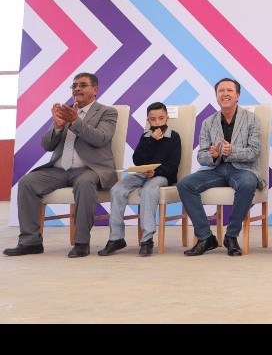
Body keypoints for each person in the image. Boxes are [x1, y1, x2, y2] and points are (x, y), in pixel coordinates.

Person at [4, 72, 118, 258]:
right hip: (59, 170)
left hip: (90, 170)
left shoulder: (107, 112)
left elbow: (100, 138)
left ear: (95, 89)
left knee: (85, 183)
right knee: (27, 182)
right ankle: (30, 242)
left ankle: (81, 243)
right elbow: (47, 145)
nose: (77, 89)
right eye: (74, 85)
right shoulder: (66, 112)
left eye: (82, 85)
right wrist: (57, 126)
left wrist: (75, 121)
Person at [177, 77, 263, 257]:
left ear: (237, 95)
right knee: (185, 184)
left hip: (243, 169)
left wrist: (232, 151)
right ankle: (205, 237)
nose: (225, 94)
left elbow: (254, 152)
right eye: (221, 91)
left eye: (229, 90)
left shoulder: (252, 119)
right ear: (216, 96)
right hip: (215, 169)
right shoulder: (208, 122)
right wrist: (213, 155)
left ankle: (231, 236)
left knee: (247, 183)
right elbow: (201, 156)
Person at [97, 102, 181, 257]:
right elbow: (138, 160)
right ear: (148, 120)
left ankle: (147, 240)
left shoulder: (174, 137)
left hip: (162, 176)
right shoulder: (146, 137)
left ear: (167, 118)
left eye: (161, 118)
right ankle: (116, 238)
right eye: (153, 119)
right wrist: (151, 141)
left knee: (148, 190)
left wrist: (155, 172)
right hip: (142, 174)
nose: (157, 122)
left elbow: (173, 165)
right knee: (117, 189)